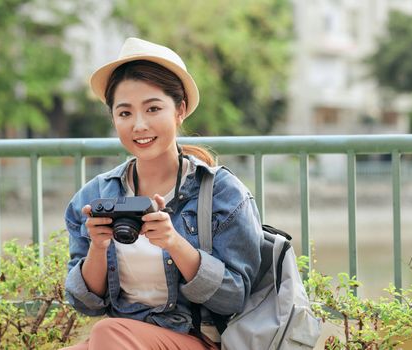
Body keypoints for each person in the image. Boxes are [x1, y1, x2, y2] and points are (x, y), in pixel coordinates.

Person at [62, 37, 263, 350]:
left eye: (153, 108)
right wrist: (98, 247)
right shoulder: (94, 195)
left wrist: (173, 242)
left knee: (106, 335)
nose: (139, 125)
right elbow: (85, 303)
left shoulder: (222, 193)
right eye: (125, 113)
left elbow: (233, 297)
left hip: (197, 340)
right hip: (122, 340)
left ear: (179, 110)